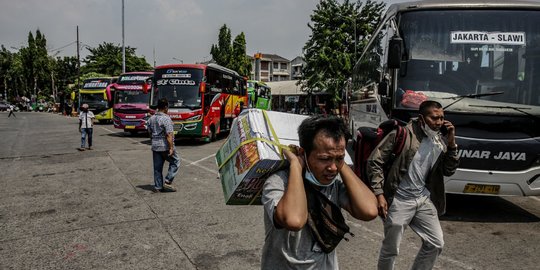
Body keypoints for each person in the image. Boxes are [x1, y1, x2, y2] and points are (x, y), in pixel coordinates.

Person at [261, 115, 378, 269]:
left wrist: (340, 162)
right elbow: (294, 220)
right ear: (304, 153)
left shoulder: (334, 184)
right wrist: (296, 166)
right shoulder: (278, 182)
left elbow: (369, 210)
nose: (333, 168)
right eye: (324, 159)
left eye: (339, 159)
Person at [367, 100, 460, 270]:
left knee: (436, 243)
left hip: (422, 199)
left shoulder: (439, 141)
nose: (439, 122)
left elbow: (448, 170)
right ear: (421, 118)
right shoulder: (402, 134)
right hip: (399, 200)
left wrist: (452, 142)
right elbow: (375, 161)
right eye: (434, 118)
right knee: (391, 249)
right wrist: (379, 194)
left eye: (442, 118)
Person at [147, 98, 180, 193]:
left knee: (157, 168)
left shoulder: (151, 119)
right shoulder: (166, 118)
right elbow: (169, 134)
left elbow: (149, 132)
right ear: (165, 107)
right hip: (165, 146)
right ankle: (168, 181)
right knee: (176, 161)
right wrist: (171, 148)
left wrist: (153, 141)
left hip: (155, 146)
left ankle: (158, 187)